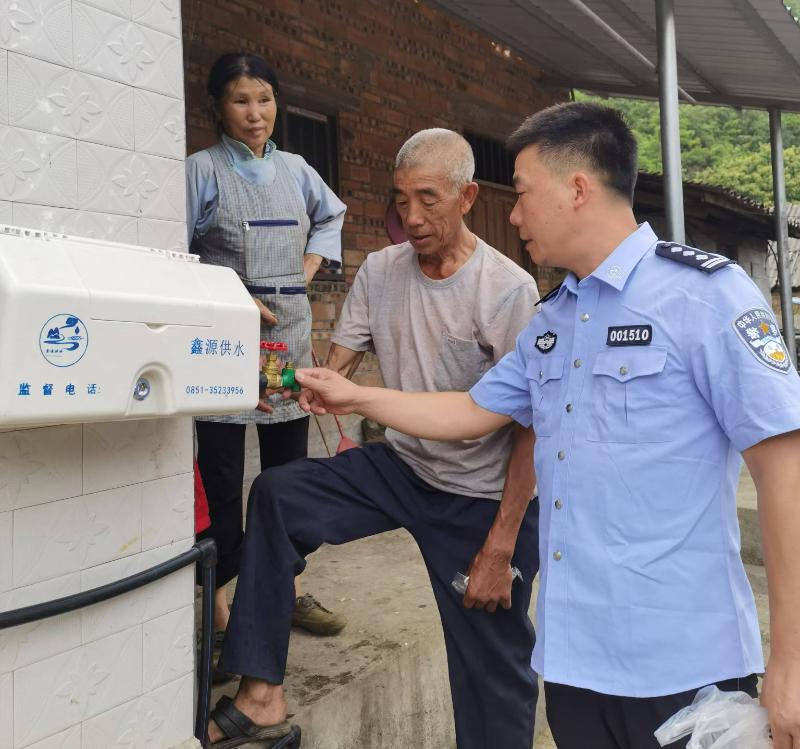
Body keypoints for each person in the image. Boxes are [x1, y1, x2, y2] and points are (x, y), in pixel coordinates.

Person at [292, 102, 800, 749]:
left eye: (523, 193)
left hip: (682, 666)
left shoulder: (704, 295)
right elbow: (469, 411)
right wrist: (352, 395)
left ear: (577, 189)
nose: (512, 214)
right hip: (574, 665)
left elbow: (785, 471)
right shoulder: (555, 319)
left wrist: (791, 658)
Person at [207, 129, 542, 749]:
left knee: (492, 670)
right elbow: (337, 371)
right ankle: (260, 697)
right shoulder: (383, 270)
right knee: (279, 494)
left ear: (468, 196)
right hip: (404, 468)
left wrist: (501, 544)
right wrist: (284, 382)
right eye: (400, 200)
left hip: (481, 495)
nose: (411, 217)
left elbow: (532, 429)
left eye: (428, 199)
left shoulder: (507, 290)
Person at [185, 52, 347, 653]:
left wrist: (309, 265)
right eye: (240, 101)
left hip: (288, 335)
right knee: (222, 477)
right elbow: (173, 251)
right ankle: (220, 605)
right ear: (218, 107)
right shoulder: (200, 170)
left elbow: (331, 216)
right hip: (225, 341)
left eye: (265, 100)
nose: (255, 114)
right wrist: (228, 293)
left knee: (287, 474)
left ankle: (284, 586)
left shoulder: (298, 169)